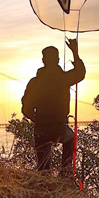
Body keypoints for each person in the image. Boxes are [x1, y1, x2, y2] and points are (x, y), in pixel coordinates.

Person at [21, 39, 86, 176]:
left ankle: (44, 184)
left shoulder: (35, 82)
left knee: (43, 170)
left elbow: (26, 109)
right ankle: (66, 172)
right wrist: (74, 51)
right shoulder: (63, 78)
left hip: (41, 128)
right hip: (59, 127)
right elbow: (80, 72)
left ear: (43, 60)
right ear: (57, 59)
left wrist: (36, 119)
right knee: (70, 138)